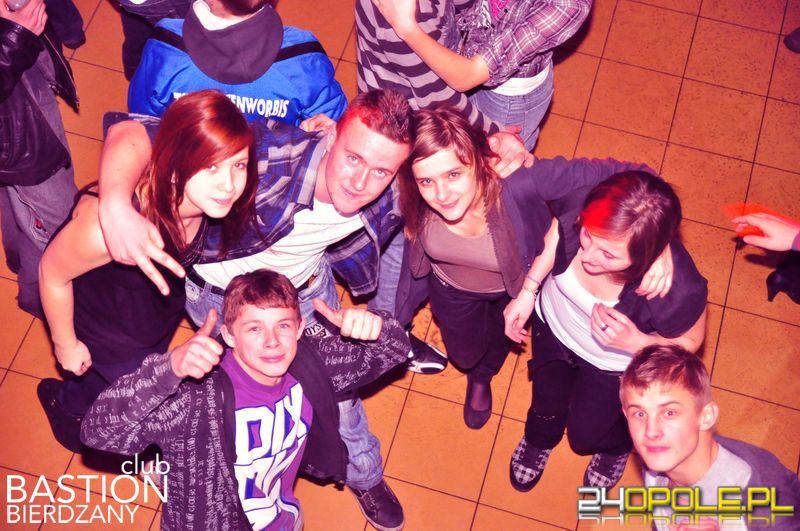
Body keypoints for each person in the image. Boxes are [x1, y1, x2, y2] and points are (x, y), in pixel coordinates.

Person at [395, 105, 671, 430]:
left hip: (513, 287)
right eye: (427, 181)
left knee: (501, 337)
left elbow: (640, 177)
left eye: (453, 174)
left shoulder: (520, 181)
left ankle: (484, 375)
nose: (441, 194)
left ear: (479, 161)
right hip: (451, 289)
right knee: (465, 354)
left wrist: (659, 240)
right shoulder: (410, 196)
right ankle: (476, 370)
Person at [81, 269, 411, 531]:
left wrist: (378, 328)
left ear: (299, 329)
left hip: (280, 515)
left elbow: (395, 350)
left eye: (283, 326)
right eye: (254, 329)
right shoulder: (195, 398)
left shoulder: (312, 365)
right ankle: (168, 470)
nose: (272, 342)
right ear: (228, 335)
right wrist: (166, 371)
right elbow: (97, 432)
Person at [37, 90, 259, 453]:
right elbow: (51, 273)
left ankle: (75, 397)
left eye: (238, 165)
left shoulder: (203, 201)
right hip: (105, 334)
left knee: (99, 383)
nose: (229, 185)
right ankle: (67, 412)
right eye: (211, 166)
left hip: (150, 315)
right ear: (176, 159)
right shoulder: (106, 228)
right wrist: (65, 345)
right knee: (139, 400)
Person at [511, 171, 708, 491]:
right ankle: (539, 440)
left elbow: (691, 342)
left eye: (609, 255)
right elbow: (558, 230)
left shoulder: (676, 287)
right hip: (552, 331)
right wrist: (528, 291)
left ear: (645, 257)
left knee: (587, 434)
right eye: (588, 236)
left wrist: (639, 343)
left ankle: (614, 447)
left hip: (611, 366)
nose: (587, 256)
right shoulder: (588, 207)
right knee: (545, 403)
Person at [621, 345, 800, 531]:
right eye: (639, 414)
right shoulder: (662, 456)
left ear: (706, 416)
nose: (651, 432)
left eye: (669, 413)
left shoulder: (765, 507)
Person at [372, 0, 591, 150]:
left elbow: (467, 76)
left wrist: (406, 28)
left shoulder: (569, 5)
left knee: (490, 163)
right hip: (469, 59)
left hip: (508, 100)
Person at [126, 0, 347, 125]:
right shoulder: (303, 59)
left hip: (195, 170)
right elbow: (331, 121)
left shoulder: (165, 51)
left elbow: (144, 121)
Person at [0, 0, 78, 318]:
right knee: (62, 225)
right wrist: (14, 37)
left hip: (17, 88)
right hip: (16, 132)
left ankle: (20, 260)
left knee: (14, 203)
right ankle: (42, 298)